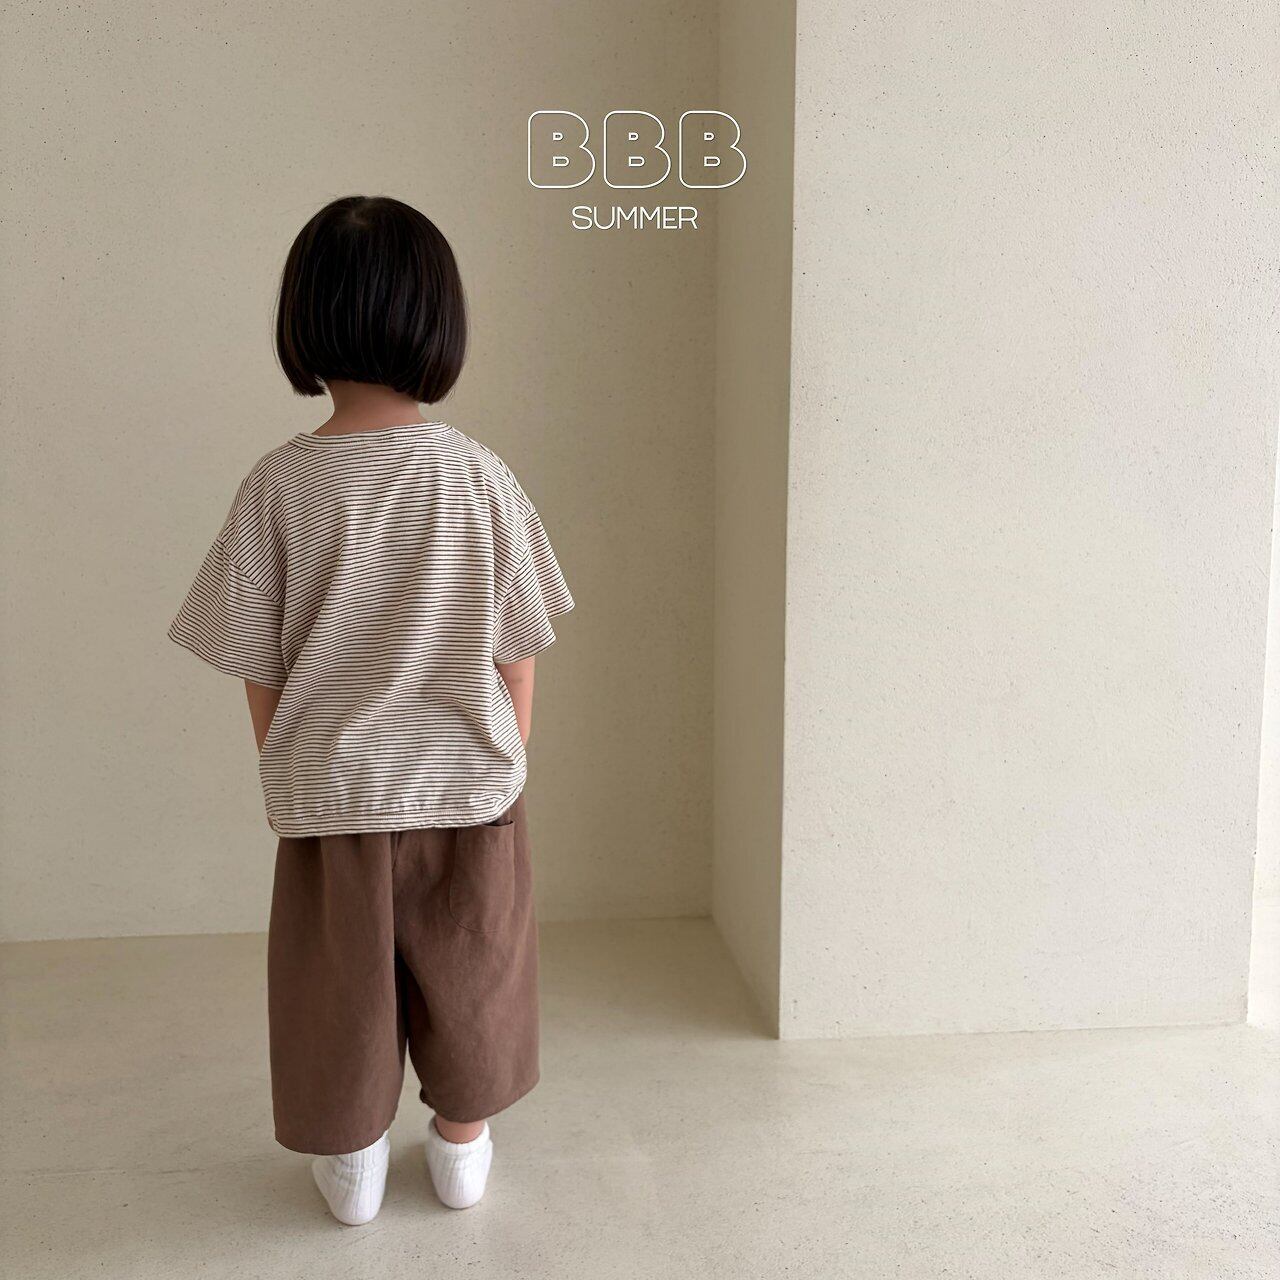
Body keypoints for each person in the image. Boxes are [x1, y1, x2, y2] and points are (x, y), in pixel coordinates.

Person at [167, 195, 573, 1224]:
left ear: (303, 321)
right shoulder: (478, 476)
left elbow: (256, 661)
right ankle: (462, 1147)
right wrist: (506, 755)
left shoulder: (278, 486)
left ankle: (351, 1163)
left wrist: (289, 764)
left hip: (332, 795)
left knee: (336, 991)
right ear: (439, 324)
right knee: (474, 972)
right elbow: (517, 648)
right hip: (468, 790)